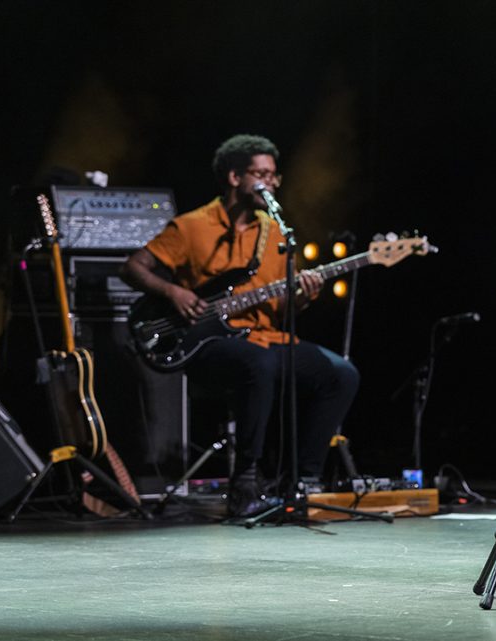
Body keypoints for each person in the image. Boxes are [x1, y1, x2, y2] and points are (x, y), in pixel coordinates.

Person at [122, 134, 360, 516]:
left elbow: (284, 308)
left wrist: (303, 294)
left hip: (267, 336)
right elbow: (132, 267)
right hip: (205, 342)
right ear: (235, 177)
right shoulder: (191, 227)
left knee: (341, 374)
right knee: (258, 364)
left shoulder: (277, 232)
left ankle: (299, 482)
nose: (270, 183)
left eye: (273, 175)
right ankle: (245, 480)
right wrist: (173, 293)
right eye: (260, 174)